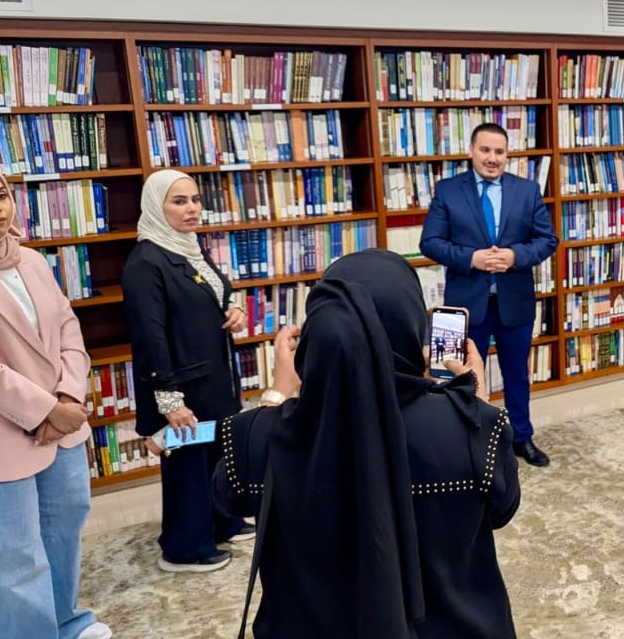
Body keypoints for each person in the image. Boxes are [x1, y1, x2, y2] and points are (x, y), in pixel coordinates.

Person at [213, 249, 520, 639]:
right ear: (411, 325)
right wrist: (475, 406)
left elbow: (227, 499)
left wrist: (277, 394)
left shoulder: (257, 435)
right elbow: (501, 508)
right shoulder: (472, 426)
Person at [0, 167, 111, 639]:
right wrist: (45, 409)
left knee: (64, 527)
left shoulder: (33, 261)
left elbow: (67, 327)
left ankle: (66, 622)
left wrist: (69, 394)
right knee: (13, 552)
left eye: (1, 195)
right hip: (2, 435)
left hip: (63, 422)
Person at [122, 169, 251, 573]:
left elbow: (215, 292)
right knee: (188, 466)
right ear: (155, 206)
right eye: (179, 201)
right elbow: (150, 337)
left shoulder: (188, 246)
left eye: (195, 199)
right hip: (181, 386)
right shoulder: (147, 262)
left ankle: (221, 522)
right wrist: (169, 399)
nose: (192, 208)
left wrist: (234, 307)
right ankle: (184, 548)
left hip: (212, 378)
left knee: (217, 455)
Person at [420, 122, 558, 467]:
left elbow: (547, 240)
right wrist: (471, 258)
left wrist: (514, 256)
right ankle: (463, 443)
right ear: (471, 151)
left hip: (515, 301)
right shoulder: (448, 190)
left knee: (517, 375)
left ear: (507, 155)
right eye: (485, 150)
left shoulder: (527, 190)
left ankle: (522, 438)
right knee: (455, 376)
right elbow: (430, 242)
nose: (492, 158)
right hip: (463, 305)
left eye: (499, 151)